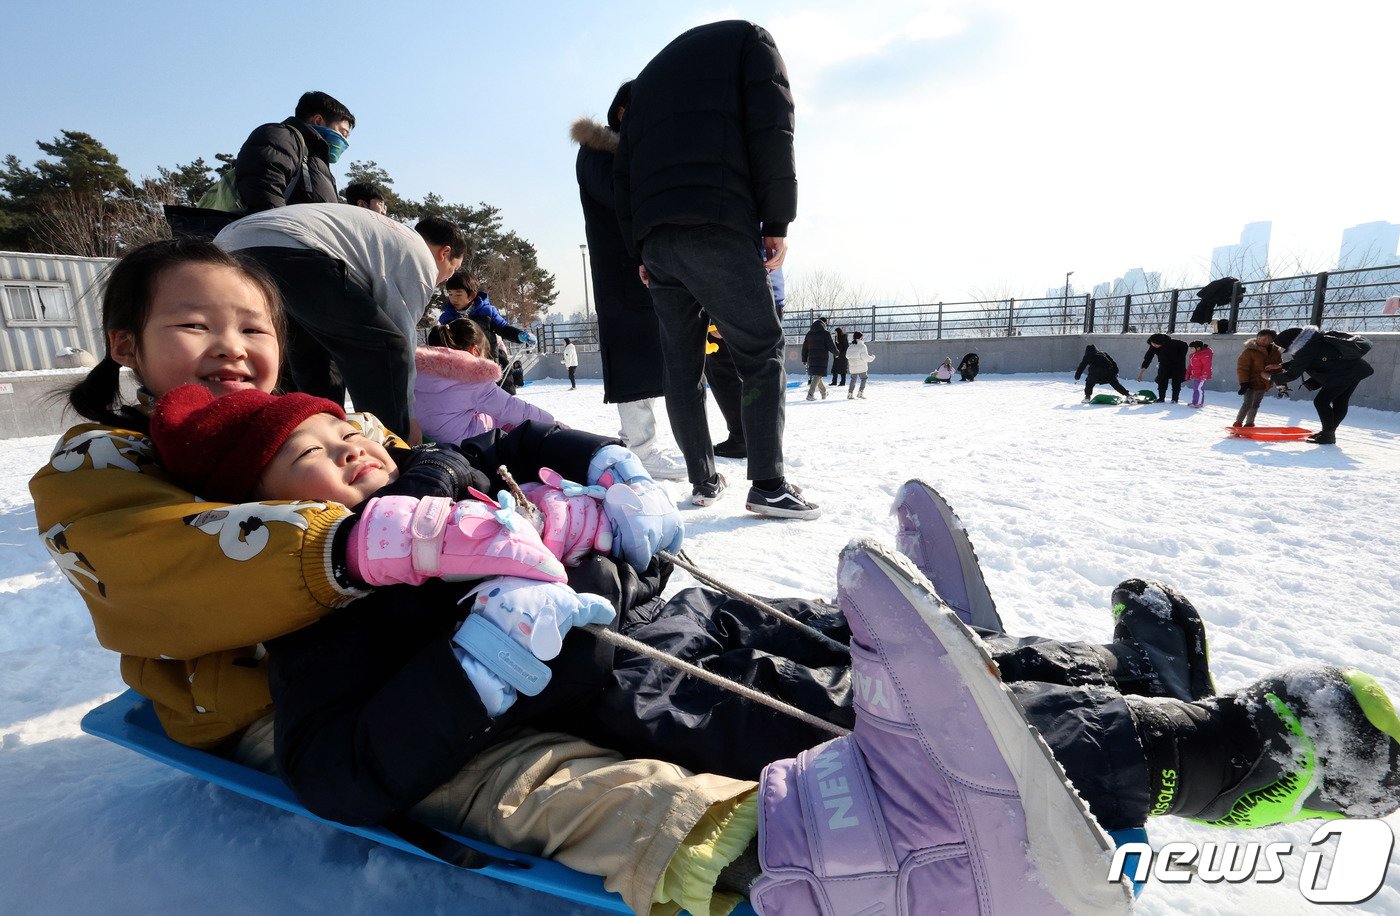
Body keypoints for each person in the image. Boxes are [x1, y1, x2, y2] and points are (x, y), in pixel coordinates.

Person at [617, 20, 820, 520]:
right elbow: (773, 129)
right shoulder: (751, 42)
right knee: (759, 349)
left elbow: (624, 170)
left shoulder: (646, 81)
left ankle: (704, 480)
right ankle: (768, 484)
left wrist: (639, 248)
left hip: (659, 239)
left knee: (682, 367)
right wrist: (777, 219)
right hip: (717, 221)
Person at [214, 205, 466, 441]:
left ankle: (319, 434)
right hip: (291, 247)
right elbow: (401, 337)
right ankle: (390, 445)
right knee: (385, 348)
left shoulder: (389, 236)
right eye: (452, 270)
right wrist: (408, 420)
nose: (443, 280)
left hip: (233, 245)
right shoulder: (420, 256)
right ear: (444, 253)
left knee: (313, 353)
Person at [571, 83, 687, 481]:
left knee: (648, 360)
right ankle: (641, 449)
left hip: (640, 271)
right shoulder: (598, 153)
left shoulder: (626, 154)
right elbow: (622, 198)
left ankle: (641, 443)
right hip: (621, 274)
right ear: (623, 113)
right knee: (633, 362)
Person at [414, 318, 557, 442]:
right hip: (460, 448)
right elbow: (514, 409)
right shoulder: (471, 379)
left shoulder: (415, 371)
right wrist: (553, 423)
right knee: (503, 422)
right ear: (474, 351)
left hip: (422, 441)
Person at [234, 91, 353, 213]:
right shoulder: (281, 136)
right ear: (318, 120)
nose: (344, 142)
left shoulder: (315, 160)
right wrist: (280, 228)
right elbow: (265, 188)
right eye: (343, 133)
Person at [1269, 326, 1375, 444]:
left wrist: (1270, 377)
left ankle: (1328, 435)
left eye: (1285, 346)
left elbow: (1293, 374)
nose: (1286, 349)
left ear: (1290, 342)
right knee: (1340, 401)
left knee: (1321, 401)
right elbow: (1306, 360)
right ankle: (1328, 433)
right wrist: (1282, 366)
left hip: (1344, 373)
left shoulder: (1306, 349)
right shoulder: (1313, 341)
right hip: (1354, 369)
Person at [439, 272, 536, 395]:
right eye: (450, 294)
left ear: (472, 295)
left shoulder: (486, 312)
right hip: (464, 370)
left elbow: (503, 328)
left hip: (491, 364)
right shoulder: (447, 318)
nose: (453, 299)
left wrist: (520, 335)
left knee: (500, 401)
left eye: (458, 294)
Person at [1233, 328, 1282, 428]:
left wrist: (1281, 383)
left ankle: (1249, 423)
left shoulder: (1275, 352)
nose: (1262, 341)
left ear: (1272, 340)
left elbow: (1278, 368)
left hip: (1264, 383)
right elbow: (1242, 368)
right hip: (1250, 383)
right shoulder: (1249, 351)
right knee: (1247, 403)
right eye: (1260, 338)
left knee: (1256, 404)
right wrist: (1244, 383)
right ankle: (1238, 423)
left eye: (1266, 339)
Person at [1136, 332, 1189, 403]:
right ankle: (1161, 398)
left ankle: (1174, 399)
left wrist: (1180, 357)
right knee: (1162, 380)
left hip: (1177, 365)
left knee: (1176, 382)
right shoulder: (1153, 346)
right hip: (1164, 364)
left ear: (1162, 343)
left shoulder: (1173, 343)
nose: (1154, 345)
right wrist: (1142, 371)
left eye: (1156, 344)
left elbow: (1185, 345)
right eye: (1152, 343)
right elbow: (1148, 357)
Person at [799, 317, 834, 400]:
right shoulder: (826, 333)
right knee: (818, 375)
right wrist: (837, 353)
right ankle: (810, 395)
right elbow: (831, 345)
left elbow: (805, 347)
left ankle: (824, 392)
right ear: (824, 323)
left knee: (817, 375)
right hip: (822, 358)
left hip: (811, 357)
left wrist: (804, 358)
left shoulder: (809, 333)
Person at [845, 330, 874, 399]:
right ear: (861, 337)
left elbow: (847, 356)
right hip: (861, 367)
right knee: (864, 379)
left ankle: (850, 394)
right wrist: (872, 358)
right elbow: (865, 357)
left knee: (853, 380)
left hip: (853, 367)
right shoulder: (862, 346)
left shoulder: (850, 346)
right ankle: (860, 393)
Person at [1185, 340, 1213, 408]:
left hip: (1201, 376)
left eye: (1192, 348)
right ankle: (1195, 402)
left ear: (1198, 348)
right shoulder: (1193, 355)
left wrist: (1204, 375)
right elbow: (1191, 365)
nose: (1190, 350)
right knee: (1196, 389)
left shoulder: (1205, 355)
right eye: (1190, 348)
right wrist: (1188, 374)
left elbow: (1207, 366)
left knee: (1199, 389)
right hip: (1196, 375)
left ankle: (1199, 403)